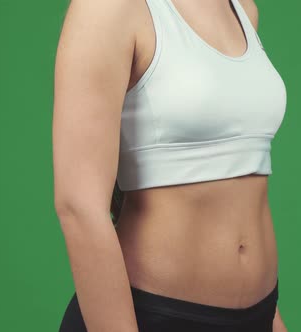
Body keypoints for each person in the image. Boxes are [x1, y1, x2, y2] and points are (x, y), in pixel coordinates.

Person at [52, 0, 288, 330]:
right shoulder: (109, 7)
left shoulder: (243, 9)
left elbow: (241, 186)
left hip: (258, 314)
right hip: (153, 316)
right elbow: (79, 207)